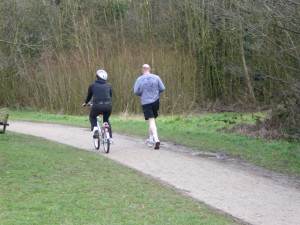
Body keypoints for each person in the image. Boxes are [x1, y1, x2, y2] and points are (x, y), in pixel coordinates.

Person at [134, 64, 165, 149]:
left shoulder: (139, 79)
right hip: (155, 101)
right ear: (149, 69)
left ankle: (156, 139)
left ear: (142, 69)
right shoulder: (157, 77)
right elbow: (162, 88)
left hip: (146, 102)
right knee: (152, 121)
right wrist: (155, 92)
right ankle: (150, 140)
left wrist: (142, 93)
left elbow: (136, 91)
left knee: (151, 121)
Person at [82, 69, 113, 140]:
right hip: (108, 106)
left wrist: (85, 103)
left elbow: (89, 96)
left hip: (97, 106)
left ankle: (95, 128)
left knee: (92, 116)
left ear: (97, 77)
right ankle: (110, 138)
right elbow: (110, 97)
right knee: (106, 120)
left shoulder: (92, 85)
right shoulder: (109, 85)